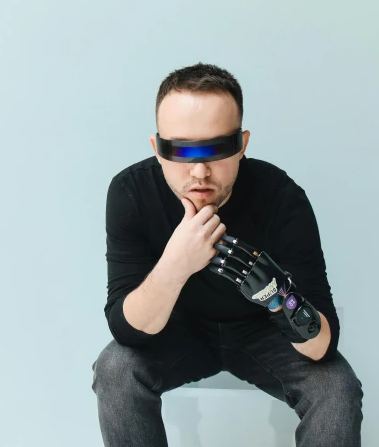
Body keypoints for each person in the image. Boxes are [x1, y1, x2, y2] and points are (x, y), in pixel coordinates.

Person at [91, 63, 364, 446]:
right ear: (157, 149)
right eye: (181, 150)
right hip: (177, 331)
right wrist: (175, 266)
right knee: (116, 369)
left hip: (263, 332)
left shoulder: (282, 197)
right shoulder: (131, 191)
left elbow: (322, 346)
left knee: (337, 387)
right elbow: (126, 331)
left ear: (243, 145)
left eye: (217, 149)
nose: (200, 171)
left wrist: (274, 293)